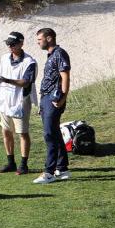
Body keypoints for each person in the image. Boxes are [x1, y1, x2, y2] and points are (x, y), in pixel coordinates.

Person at [0, 31, 37, 175]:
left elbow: (26, 82)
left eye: (13, 44)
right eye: (8, 43)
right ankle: (11, 163)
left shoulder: (29, 62)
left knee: (22, 133)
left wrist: (6, 80)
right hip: (5, 100)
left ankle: (24, 165)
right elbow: (1, 74)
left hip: (20, 101)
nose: (10, 46)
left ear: (21, 44)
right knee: (6, 131)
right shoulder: (4, 58)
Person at [32, 27, 72, 184]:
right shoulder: (51, 55)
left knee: (49, 135)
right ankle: (62, 169)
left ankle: (48, 172)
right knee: (54, 133)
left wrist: (62, 98)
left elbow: (65, 76)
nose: (38, 43)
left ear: (49, 38)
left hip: (54, 99)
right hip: (47, 99)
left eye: (39, 40)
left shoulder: (59, 53)